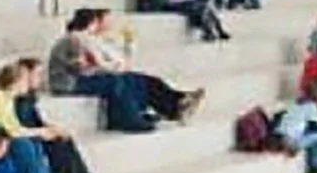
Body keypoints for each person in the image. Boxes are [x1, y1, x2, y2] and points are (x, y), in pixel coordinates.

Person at [46, 8, 204, 130]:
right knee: (116, 82)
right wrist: (109, 69)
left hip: (77, 79)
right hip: (68, 84)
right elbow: (80, 68)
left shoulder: (81, 38)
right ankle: (129, 118)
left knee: (138, 80)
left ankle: (175, 104)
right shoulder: (75, 39)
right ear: (91, 22)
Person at [14, 59, 102, 173]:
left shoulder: (29, 96)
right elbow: (21, 125)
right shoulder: (17, 98)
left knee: (66, 140)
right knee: (58, 146)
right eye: (37, 74)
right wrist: (44, 131)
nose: (40, 78)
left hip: (36, 132)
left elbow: (36, 119)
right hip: (27, 136)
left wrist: (52, 128)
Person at [278, 79, 317, 173]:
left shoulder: (301, 102)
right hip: (291, 141)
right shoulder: (310, 106)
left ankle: (315, 166)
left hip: (284, 137)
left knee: (316, 136)